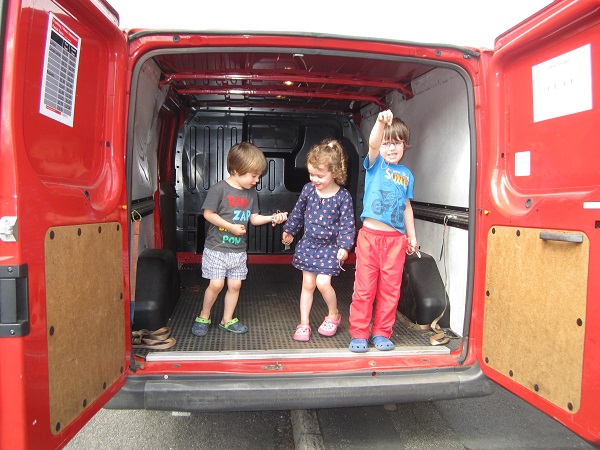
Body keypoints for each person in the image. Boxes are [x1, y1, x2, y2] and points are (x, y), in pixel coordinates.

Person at [191, 142, 288, 337]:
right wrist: (230, 227)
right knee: (216, 285)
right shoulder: (219, 189)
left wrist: (272, 218)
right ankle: (204, 315)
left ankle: (227, 320)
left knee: (235, 285)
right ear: (236, 170)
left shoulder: (251, 193)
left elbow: (254, 218)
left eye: (259, 176)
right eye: (254, 175)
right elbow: (208, 214)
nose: (257, 180)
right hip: (217, 248)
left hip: (238, 251)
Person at [348, 110, 418, 352]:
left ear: (404, 145)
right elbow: (373, 144)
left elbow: (407, 207)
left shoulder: (407, 175)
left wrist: (412, 236)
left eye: (397, 143)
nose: (391, 148)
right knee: (364, 288)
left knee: (390, 290)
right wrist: (379, 122)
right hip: (370, 238)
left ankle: (381, 332)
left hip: (396, 241)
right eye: (387, 143)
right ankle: (359, 333)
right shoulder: (375, 164)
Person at [282, 139, 356, 342]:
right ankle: (304, 323)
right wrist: (289, 230)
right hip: (309, 245)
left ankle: (333, 314)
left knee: (323, 283)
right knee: (307, 284)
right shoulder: (308, 190)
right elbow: (298, 212)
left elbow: (347, 224)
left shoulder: (343, 197)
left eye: (320, 176)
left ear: (335, 172)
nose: (314, 179)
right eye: (311, 174)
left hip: (330, 248)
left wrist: (344, 246)